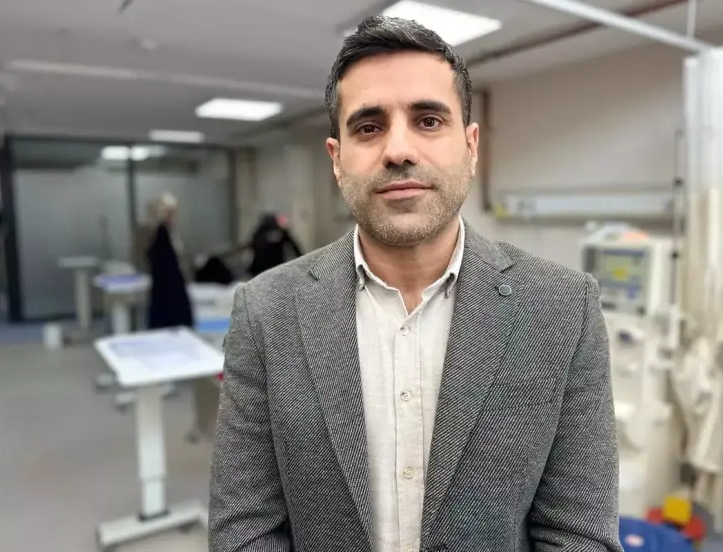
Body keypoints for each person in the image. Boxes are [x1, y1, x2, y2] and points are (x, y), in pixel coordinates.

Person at [209, 15, 622, 552]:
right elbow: (244, 530)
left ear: (471, 147)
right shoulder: (266, 311)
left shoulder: (563, 309)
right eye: (368, 127)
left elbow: (579, 535)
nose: (398, 150)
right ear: (337, 159)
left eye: (428, 120)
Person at [146, 193, 193, 330]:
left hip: (171, 283)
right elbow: (162, 261)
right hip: (167, 285)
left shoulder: (170, 231)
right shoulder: (161, 232)